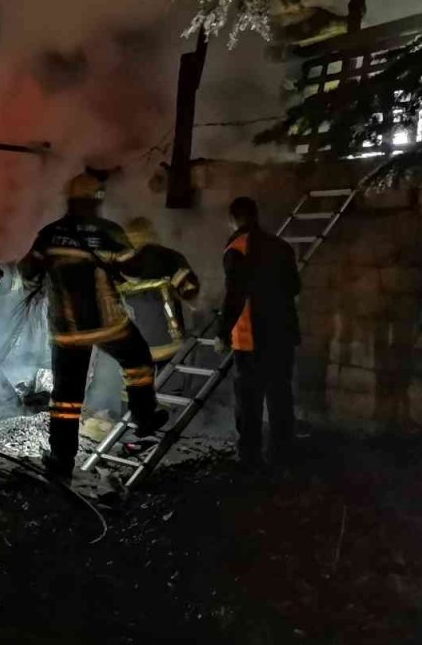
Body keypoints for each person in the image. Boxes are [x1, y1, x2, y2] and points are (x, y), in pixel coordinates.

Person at [18, 173, 168, 480]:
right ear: (98, 200)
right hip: (107, 323)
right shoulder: (109, 231)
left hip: (66, 331)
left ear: (70, 199)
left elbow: (28, 272)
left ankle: (61, 460)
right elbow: (132, 272)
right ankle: (144, 416)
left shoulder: (49, 234)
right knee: (138, 359)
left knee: (66, 399)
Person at [219, 196, 301, 468]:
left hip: (250, 337)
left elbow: (234, 296)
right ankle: (283, 453)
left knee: (249, 399)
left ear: (233, 218)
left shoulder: (237, 247)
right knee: (280, 394)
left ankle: (250, 456)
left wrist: (222, 332)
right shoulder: (281, 246)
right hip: (283, 334)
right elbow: (294, 287)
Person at [118, 217, 201, 366]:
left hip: (134, 343)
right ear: (151, 232)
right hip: (169, 342)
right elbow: (190, 290)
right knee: (169, 385)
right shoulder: (171, 258)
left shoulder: (120, 263)